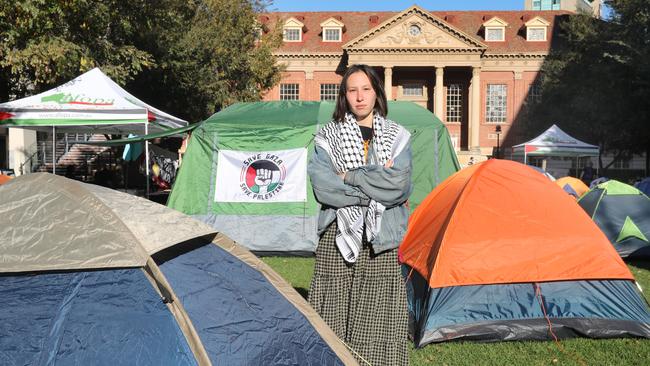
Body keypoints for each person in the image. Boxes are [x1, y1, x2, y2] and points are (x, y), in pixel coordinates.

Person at [307, 64, 412, 366]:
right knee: (333, 313)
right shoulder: (328, 136)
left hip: (382, 238)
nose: (360, 97)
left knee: (376, 316)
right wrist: (373, 186)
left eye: (366, 89)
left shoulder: (397, 136)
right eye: (352, 90)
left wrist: (350, 177)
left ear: (378, 93)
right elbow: (323, 186)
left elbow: (399, 186)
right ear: (344, 95)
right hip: (338, 234)